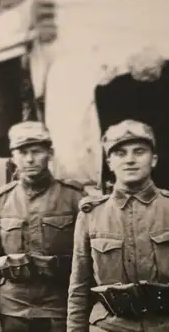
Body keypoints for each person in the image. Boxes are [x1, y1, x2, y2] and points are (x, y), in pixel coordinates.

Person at [0, 121, 86, 332]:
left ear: (50, 153)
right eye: (23, 152)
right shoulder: (1, 200)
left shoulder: (74, 197)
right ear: (13, 157)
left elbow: (86, 262)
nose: (29, 159)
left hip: (58, 310)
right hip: (12, 311)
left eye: (36, 151)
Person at [67, 119, 169, 332]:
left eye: (139, 151)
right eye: (120, 154)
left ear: (154, 159)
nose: (130, 160)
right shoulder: (91, 213)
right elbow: (79, 287)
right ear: (110, 162)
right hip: (108, 327)